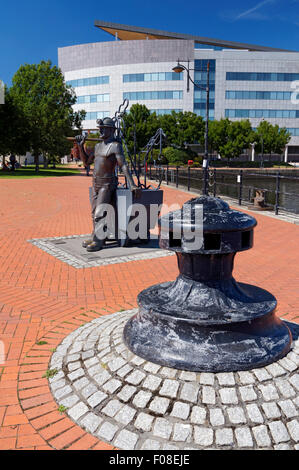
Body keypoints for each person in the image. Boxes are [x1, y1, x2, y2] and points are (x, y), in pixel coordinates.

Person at [76, 117, 140, 252]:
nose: (101, 131)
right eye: (100, 128)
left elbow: (123, 165)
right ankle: (96, 236)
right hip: (96, 183)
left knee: (100, 212)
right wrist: (80, 146)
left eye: (104, 128)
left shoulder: (115, 146)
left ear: (111, 130)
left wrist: (132, 184)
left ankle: (98, 242)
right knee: (94, 213)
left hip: (107, 184)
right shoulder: (98, 146)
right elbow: (87, 162)